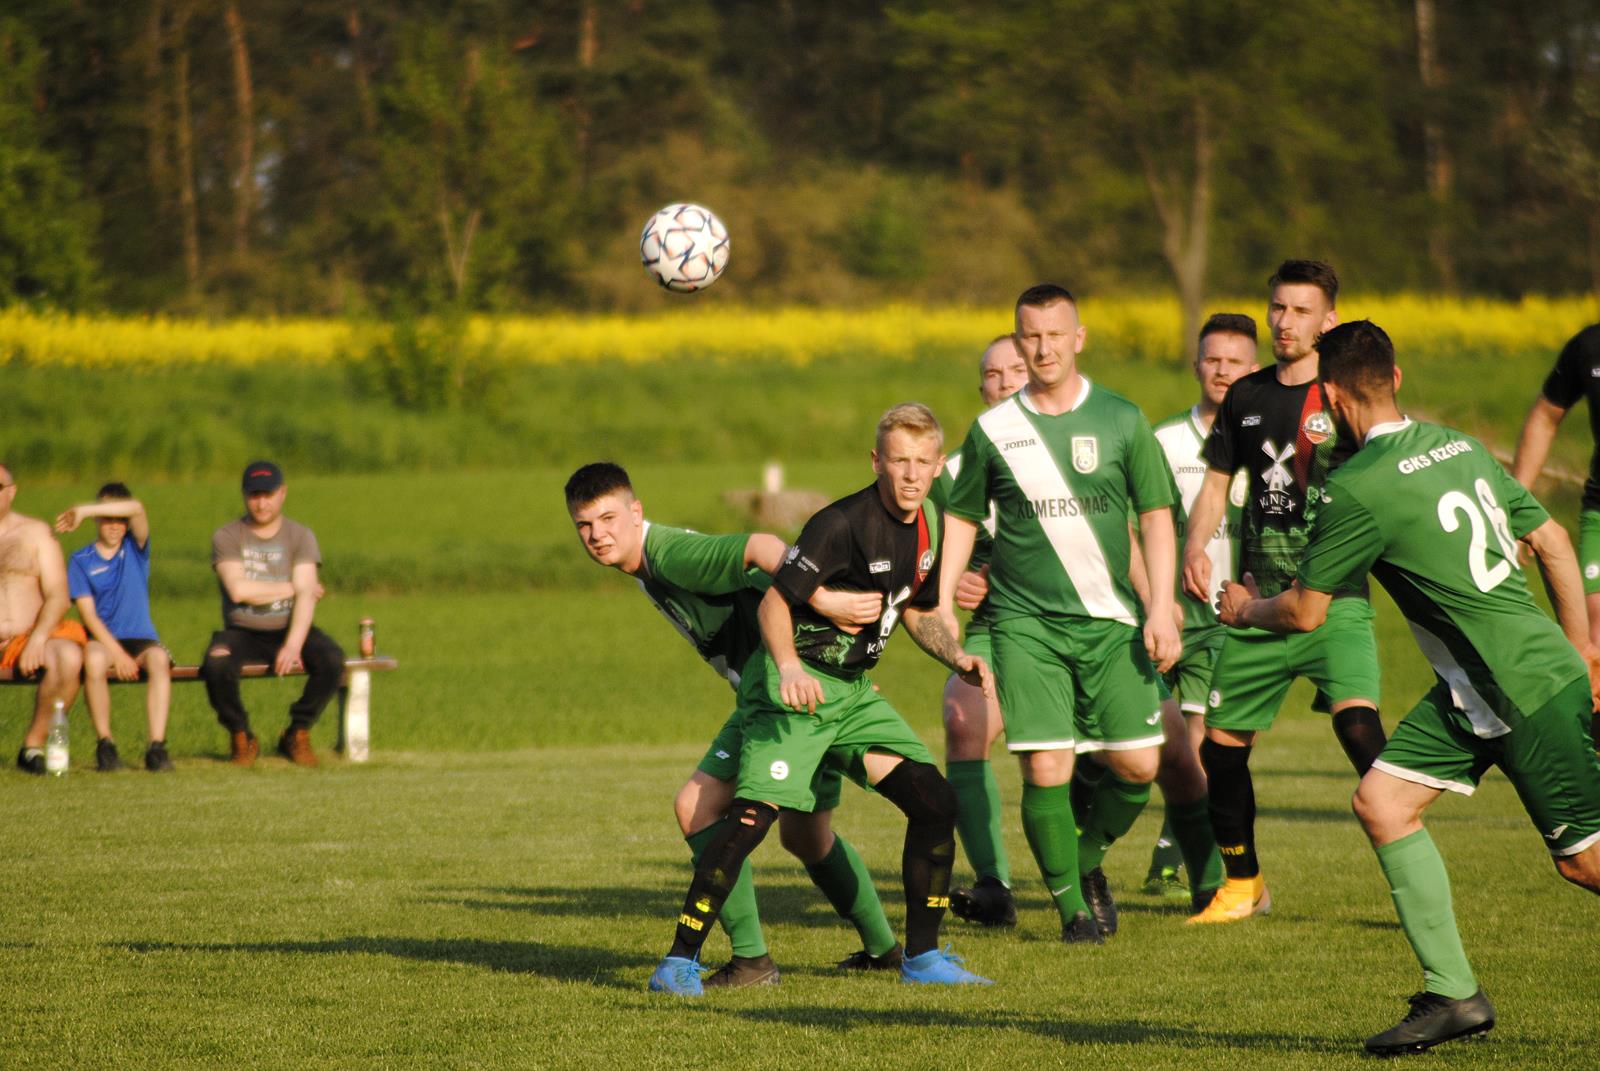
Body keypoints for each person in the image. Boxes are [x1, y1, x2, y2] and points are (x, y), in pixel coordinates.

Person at [1217, 320, 1600, 1055]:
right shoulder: (1458, 444)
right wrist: (1580, 645)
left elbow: (1303, 612)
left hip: (1515, 687)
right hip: (1485, 683)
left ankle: (1455, 990)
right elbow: (1553, 541)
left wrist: (1243, 608)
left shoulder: (1356, 488)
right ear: (1396, 376)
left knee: (1583, 861)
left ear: (1327, 395)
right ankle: (1454, 992)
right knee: (1382, 801)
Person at [649, 402, 994, 995]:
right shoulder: (840, 526)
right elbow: (773, 604)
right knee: (753, 819)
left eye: (921, 462)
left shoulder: (931, 523)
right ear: (876, 462)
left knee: (935, 802)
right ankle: (679, 961)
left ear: (938, 466)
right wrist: (787, 668)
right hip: (798, 692)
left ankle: (923, 958)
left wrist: (954, 655)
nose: (910, 474)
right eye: (898, 461)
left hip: (855, 697)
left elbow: (914, 608)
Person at [564, 461, 903, 988]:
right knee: (808, 838)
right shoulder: (647, 566)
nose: (597, 535)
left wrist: (819, 599)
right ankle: (886, 951)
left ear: (636, 512)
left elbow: (762, 547)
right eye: (584, 525)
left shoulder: (669, 552)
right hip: (807, 686)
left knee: (696, 808)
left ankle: (751, 962)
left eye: (608, 518)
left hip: (784, 692)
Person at [938, 284, 1182, 944]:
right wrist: (942, 595)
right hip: (1025, 625)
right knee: (1046, 765)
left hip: (1111, 622)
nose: (1041, 348)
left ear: (1078, 337)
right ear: (1019, 340)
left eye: (1054, 334)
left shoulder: (1122, 418)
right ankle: (1074, 912)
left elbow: (1155, 518)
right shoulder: (993, 429)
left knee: (1138, 767)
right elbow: (960, 515)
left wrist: (1161, 605)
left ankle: (1085, 860)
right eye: (1029, 336)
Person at [1182, 260, 1387, 924]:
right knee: (1220, 750)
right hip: (1255, 602)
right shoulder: (1245, 396)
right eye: (1277, 308)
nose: (1284, 322)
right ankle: (1243, 883)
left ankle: (1402, 853)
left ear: (1330, 320)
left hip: (1337, 598)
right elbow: (1216, 484)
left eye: (1301, 311)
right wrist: (1194, 544)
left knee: (1360, 732)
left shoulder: (1346, 398)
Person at [1139, 314, 1259, 899]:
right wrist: (1158, 599)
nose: (1222, 371)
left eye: (1234, 363)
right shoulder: (1163, 440)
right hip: (1177, 612)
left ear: (1254, 370)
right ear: (1196, 366)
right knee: (1178, 741)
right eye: (1213, 360)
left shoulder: (1267, 443)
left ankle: (1175, 848)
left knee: (1208, 741)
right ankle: (1184, 853)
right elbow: (1143, 528)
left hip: (1243, 614)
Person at [934, 335, 1027, 928]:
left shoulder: (1078, 446)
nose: (1005, 382)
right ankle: (994, 884)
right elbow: (935, 558)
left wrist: (995, 570)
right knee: (963, 717)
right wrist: (962, 579)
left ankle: (1086, 863)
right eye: (992, 374)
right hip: (998, 624)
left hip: (1082, 618)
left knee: (1143, 762)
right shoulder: (950, 474)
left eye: (1016, 369)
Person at [201, 460, 343, 767]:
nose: (261, 502)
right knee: (215, 664)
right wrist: (295, 586)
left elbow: (308, 598)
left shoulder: (300, 536)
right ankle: (241, 734)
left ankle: (297, 731)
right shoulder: (227, 536)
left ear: (282, 494)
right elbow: (239, 591)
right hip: (243, 630)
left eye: (268, 494)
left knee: (332, 659)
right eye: (254, 495)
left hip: (288, 626)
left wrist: (293, 645)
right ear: (244, 495)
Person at [1511, 321, 1600, 750]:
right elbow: (1546, 416)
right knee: (1592, 631)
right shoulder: (1589, 347)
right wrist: (1516, 506)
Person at [56, 483, 175, 772]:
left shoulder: (136, 548)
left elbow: (136, 508)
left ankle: (157, 747)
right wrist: (118, 655)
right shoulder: (81, 560)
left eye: (118, 519)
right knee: (94, 660)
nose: (114, 526)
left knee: (159, 660)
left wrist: (85, 510)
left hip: (141, 637)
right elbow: (89, 617)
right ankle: (105, 744)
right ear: (98, 521)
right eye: (106, 518)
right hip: (104, 639)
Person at [0, 461, 88, 774]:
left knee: (67, 655)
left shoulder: (35, 534)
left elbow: (58, 595)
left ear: (12, 491)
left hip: (27, 635)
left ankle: (32, 747)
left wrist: (37, 639)